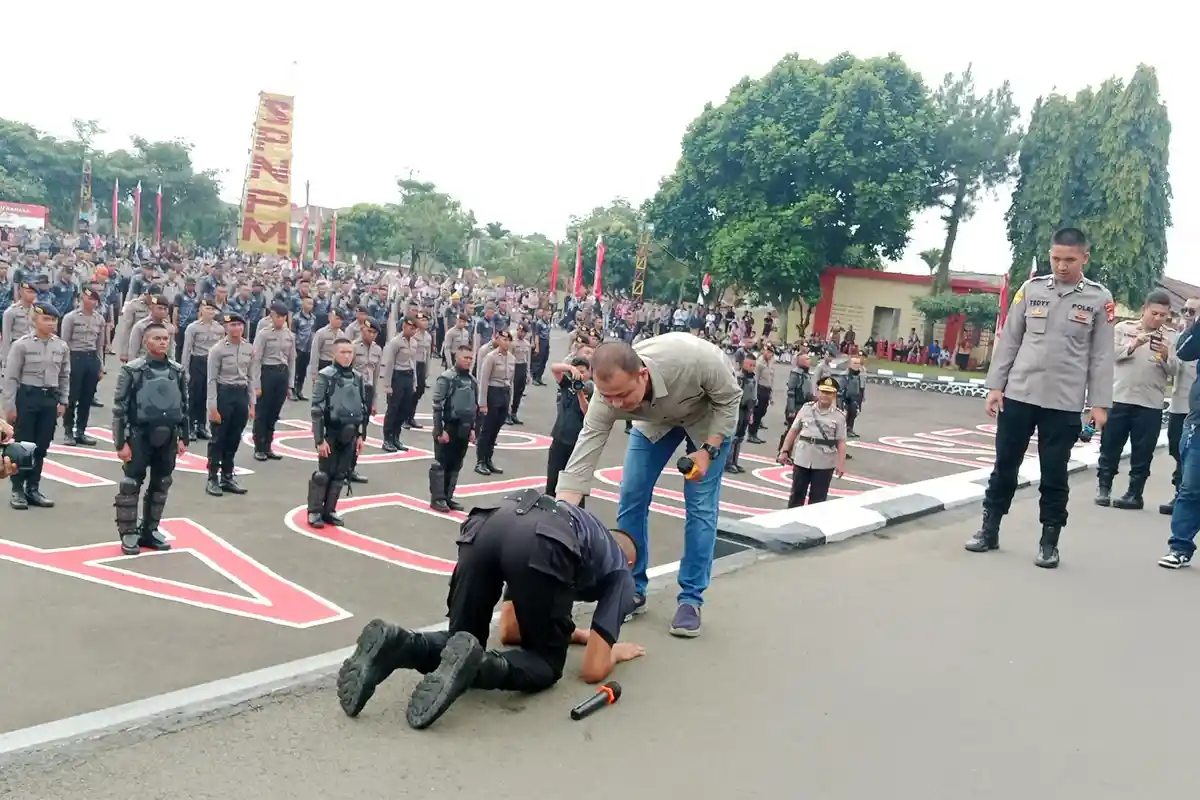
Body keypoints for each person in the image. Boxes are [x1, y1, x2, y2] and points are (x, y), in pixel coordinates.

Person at [335, 488, 643, 730]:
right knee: (546, 665)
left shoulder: (581, 531)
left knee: (462, 636)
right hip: (540, 542)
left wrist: (574, 633)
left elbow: (509, 630)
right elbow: (592, 670)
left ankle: (398, 644)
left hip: (490, 523)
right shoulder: (620, 571)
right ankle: (477, 665)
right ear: (631, 562)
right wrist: (612, 651)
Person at [554, 333, 740, 637]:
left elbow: (730, 398)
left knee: (700, 505)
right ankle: (632, 589)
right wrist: (558, 515)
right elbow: (583, 457)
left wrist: (708, 451)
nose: (616, 404)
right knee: (631, 494)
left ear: (642, 374)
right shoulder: (608, 396)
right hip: (653, 421)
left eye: (622, 396)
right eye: (608, 396)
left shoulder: (693, 360)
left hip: (707, 418)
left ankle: (691, 599)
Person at [965, 228, 1115, 568]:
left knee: (1054, 472)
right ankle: (990, 529)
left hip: (1063, 402)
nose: (1062, 266)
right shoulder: (1031, 290)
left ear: (1084, 258)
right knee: (1005, 465)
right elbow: (1010, 340)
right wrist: (995, 385)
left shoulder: (1098, 298)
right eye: (1056, 258)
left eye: (1070, 260)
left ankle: (1050, 541)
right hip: (1019, 393)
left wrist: (1100, 404)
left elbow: (1102, 356)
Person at [112, 322, 189, 555]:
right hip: (139, 435)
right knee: (131, 484)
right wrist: (120, 442)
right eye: (157, 338)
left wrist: (183, 437)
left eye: (166, 338)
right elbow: (119, 408)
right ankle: (128, 533)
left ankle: (150, 530)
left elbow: (184, 405)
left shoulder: (177, 371)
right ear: (146, 342)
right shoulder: (131, 370)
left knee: (162, 482)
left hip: (168, 435)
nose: (163, 342)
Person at [1095, 289, 1174, 510]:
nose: (1158, 318)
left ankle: (1134, 493)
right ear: (1144, 309)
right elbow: (1108, 354)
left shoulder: (1171, 337)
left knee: (1143, 452)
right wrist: (1133, 345)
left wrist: (1167, 355)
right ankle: (1104, 487)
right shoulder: (1124, 329)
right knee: (1110, 446)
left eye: (1163, 315)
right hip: (1120, 398)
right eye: (1154, 313)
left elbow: (1176, 370)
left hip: (1150, 403)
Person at [1, 302, 70, 509]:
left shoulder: (61, 346)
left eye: (53, 320)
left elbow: (65, 375)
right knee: (22, 447)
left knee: (41, 446)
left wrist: (63, 400)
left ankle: (33, 487)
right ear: (35, 320)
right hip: (27, 398)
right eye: (46, 319)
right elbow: (11, 378)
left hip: (49, 399)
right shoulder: (22, 345)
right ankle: (17, 490)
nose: (50, 324)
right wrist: (9, 407)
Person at [305, 338, 369, 528]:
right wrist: (319, 440)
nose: (347, 356)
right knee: (323, 474)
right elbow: (316, 409)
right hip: (330, 432)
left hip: (349, 434)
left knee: (341, 474)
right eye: (343, 352)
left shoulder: (358, 378)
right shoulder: (325, 376)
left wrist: (361, 436)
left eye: (350, 352)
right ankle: (315, 511)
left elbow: (362, 410)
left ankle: (329, 510)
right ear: (334, 353)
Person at [205, 312, 255, 497]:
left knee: (234, 438)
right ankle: (212, 478)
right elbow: (211, 380)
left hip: (240, 394)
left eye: (239, 325)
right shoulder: (218, 350)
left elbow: (251, 378)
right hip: (223, 394)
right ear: (226, 328)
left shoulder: (249, 349)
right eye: (232, 325)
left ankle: (227, 475)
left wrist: (252, 404)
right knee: (218, 438)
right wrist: (212, 407)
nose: (236, 328)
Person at [777, 376, 847, 506]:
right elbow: (793, 431)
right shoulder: (806, 409)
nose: (825, 396)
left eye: (829, 393)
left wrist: (841, 463)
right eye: (823, 391)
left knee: (818, 499)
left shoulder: (839, 416)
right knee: (796, 495)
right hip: (802, 459)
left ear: (834, 395)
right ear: (817, 391)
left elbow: (841, 442)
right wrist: (784, 451)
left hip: (824, 463)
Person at [1162, 297, 1200, 515]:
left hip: (1194, 409)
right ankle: (1180, 494)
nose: (1187, 314)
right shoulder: (1181, 337)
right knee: (1179, 452)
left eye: (1192, 310)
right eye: (1184, 310)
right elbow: (1175, 364)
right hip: (1180, 404)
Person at [428, 345, 478, 512]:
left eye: (471, 358)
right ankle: (437, 498)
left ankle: (448, 497)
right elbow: (437, 405)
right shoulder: (446, 378)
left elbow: (473, 407)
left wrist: (472, 429)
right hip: (448, 427)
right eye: (465, 357)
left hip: (463, 429)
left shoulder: (472, 381)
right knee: (441, 463)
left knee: (456, 464)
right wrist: (439, 430)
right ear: (456, 357)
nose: (468, 361)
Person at [250, 302, 296, 461]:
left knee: (275, 412)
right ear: (271, 316)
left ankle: (268, 446)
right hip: (266, 373)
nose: (280, 320)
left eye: (283, 317)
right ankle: (259, 447)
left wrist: (290, 384)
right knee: (263, 412)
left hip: (281, 374)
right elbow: (256, 360)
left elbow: (291, 360)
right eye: (278, 317)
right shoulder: (263, 334)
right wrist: (256, 384)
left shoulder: (289, 335)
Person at [60, 287, 106, 446]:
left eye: (94, 299)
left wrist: (100, 365)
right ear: (82, 298)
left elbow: (100, 345)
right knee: (71, 397)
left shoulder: (99, 319)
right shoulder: (70, 317)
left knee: (87, 398)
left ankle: (80, 431)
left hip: (91, 358)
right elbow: (64, 343)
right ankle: (68, 431)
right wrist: (63, 364)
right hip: (75, 357)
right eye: (89, 298)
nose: (92, 302)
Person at [546, 356, 593, 503]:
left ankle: (576, 516)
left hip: (578, 443)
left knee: (575, 484)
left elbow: (588, 414)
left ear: (590, 373)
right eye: (578, 372)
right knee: (553, 479)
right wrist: (570, 369)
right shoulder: (567, 384)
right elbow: (554, 368)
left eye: (583, 372)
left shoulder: (591, 389)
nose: (581, 375)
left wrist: (580, 394)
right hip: (560, 437)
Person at [181, 299, 224, 441]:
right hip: (197, 362)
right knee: (194, 396)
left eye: (213, 310)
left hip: (212, 364)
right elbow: (187, 350)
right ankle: (191, 427)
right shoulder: (193, 328)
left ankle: (201, 425)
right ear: (200, 310)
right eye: (207, 309)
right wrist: (185, 370)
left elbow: (222, 349)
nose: (210, 312)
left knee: (207, 395)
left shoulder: (219, 328)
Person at [347, 317, 383, 484]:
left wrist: (374, 401)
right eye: (369, 331)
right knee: (347, 431)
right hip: (352, 390)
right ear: (362, 330)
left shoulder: (377, 350)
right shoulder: (352, 347)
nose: (372, 335)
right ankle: (341, 470)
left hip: (367, 392)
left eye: (375, 333)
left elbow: (375, 378)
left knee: (361, 431)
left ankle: (351, 468)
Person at [475, 329, 515, 476]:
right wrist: (482, 403)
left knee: (495, 430)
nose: (506, 342)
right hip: (492, 392)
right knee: (486, 430)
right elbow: (483, 380)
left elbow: (511, 382)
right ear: (497, 340)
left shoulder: (511, 358)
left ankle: (488, 459)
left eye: (508, 340)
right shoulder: (490, 357)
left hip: (504, 394)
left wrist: (509, 403)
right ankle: (480, 462)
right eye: (503, 339)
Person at [380, 314, 419, 453]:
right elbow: (389, 363)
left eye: (415, 328)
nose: (413, 330)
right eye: (410, 327)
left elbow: (413, 363)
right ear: (404, 326)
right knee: (393, 409)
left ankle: (396, 437)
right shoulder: (396, 342)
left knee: (404, 409)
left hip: (408, 376)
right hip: (397, 376)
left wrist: (414, 381)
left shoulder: (414, 342)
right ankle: (387, 439)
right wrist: (387, 385)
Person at [725, 353, 758, 474]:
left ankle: (735, 461)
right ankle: (728, 462)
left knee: (740, 436)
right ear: (744, 364)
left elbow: (754, 394)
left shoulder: (753, 378)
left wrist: (752, 410)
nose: (752, 367)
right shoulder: (738, 377)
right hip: (738, 408)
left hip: (747, 409)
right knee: (733, 436)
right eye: (750, 365)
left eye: (754, 365)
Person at [746, 346, 775, 444]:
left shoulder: (770, 364)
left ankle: (755, 433)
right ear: (764, 351)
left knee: (762, 412)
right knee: (756, 414)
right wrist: (754, 396)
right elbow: (755, 380)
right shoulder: (759, 364)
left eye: (771, 353)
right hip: (760, 390)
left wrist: (771, 396)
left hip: (766, 391)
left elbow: (771, 380)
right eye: (767, 351)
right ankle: (751, 434)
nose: (769, 354)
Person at [508, 323, 532, 425]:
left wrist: (528, 373)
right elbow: (509, 357)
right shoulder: (512, 343)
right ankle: (507, 414)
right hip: (514, 367)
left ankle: (514, 413)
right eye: (519, 331)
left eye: (523, 332)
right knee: (511, 392)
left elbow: (528, 360)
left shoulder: (527, 344)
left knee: (519, 392)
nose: (521, 333)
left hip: (522, 367)